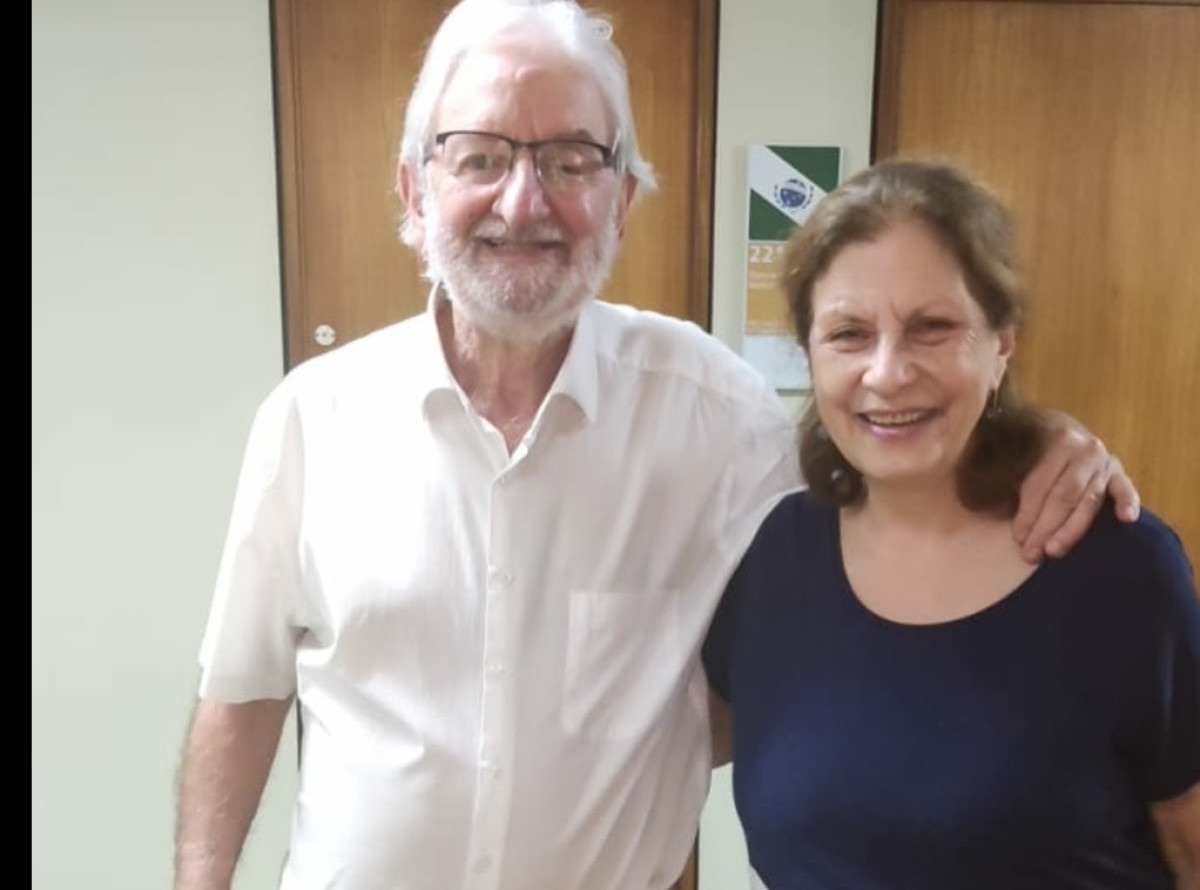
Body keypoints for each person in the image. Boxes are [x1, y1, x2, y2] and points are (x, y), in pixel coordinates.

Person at [173, 4, 1140, 889]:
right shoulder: (312, 419)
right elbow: (242, 696)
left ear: (624, 199)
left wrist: (1037, 439)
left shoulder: (719, 417)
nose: (523, 201)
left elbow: (885, 484)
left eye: (570, 160)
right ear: (415, 190)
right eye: (478, 157)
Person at [703, 159, 1200, 889]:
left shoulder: (1120, 569)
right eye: (848, 333)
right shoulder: (774, 558)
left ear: (1002, 344)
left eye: (932, 328)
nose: (887, 372)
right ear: (808, 353)